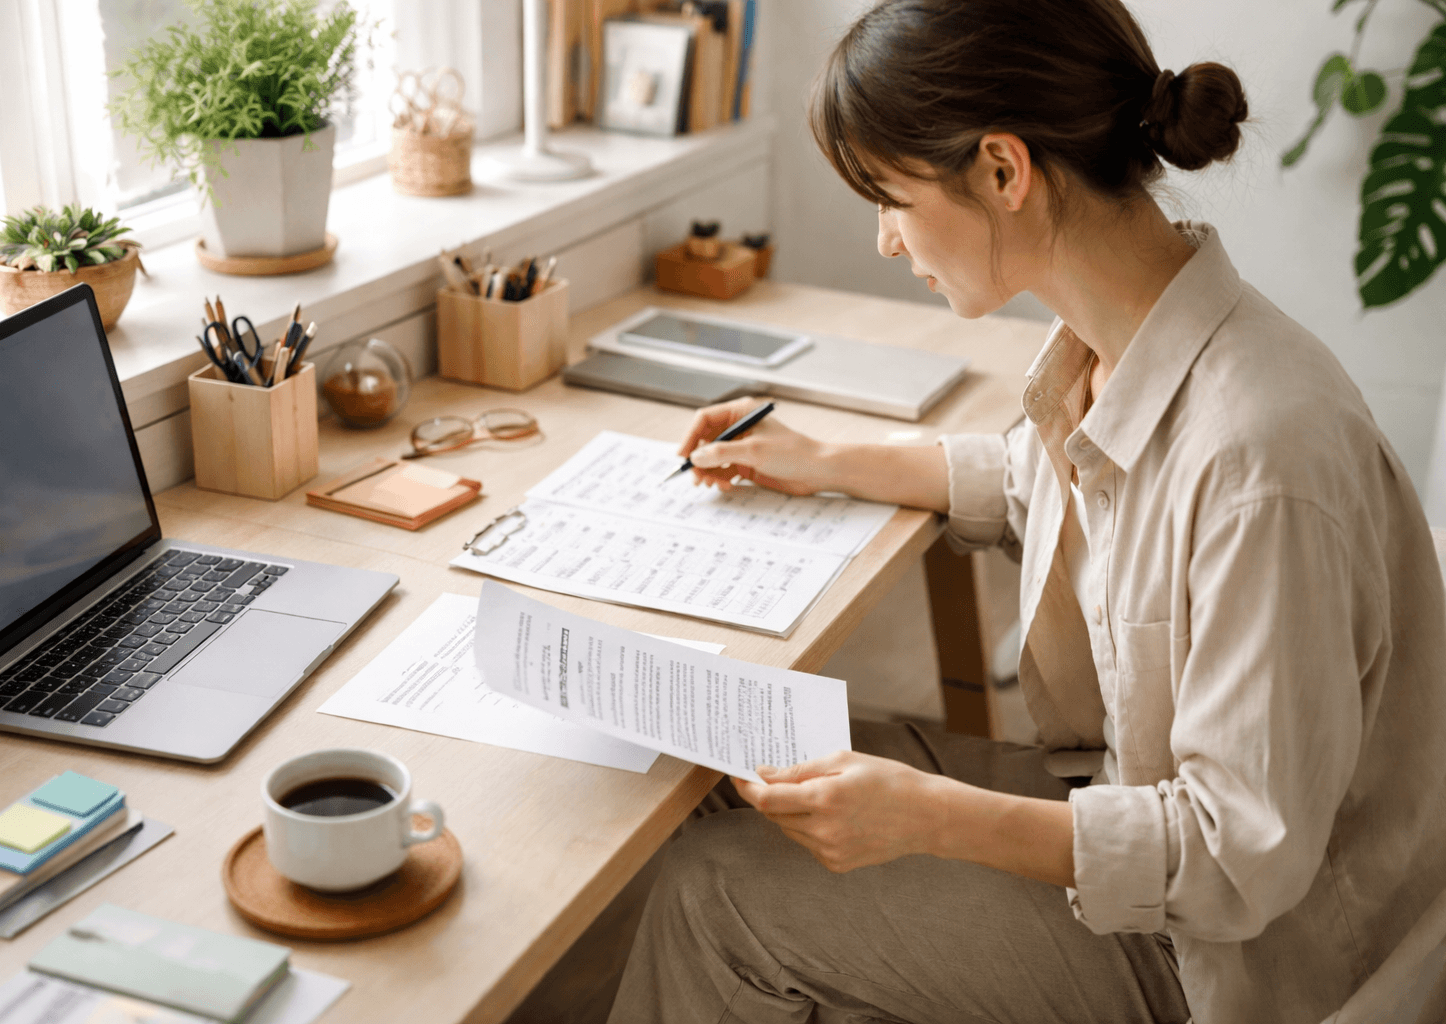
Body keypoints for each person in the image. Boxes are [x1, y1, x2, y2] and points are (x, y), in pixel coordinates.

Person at [604, 1, 1446, 1021]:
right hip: (1145, 839)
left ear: (1003, 171)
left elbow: (1238, 858)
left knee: (716, 898)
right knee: (741, 789)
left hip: (1246, 969)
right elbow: (1039, 479)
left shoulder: (1259, 457)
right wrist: (822, 457)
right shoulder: (1125, 344)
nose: (882, 239)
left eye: (891, 198)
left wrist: (932, 818)